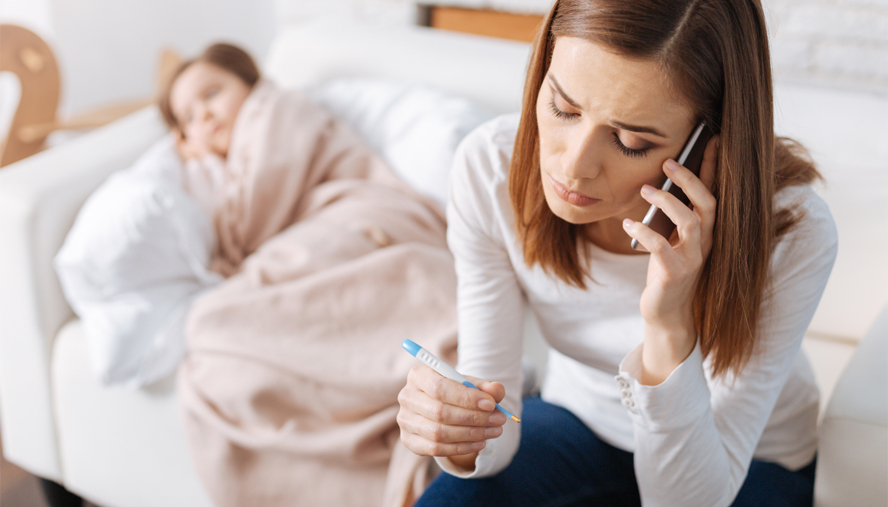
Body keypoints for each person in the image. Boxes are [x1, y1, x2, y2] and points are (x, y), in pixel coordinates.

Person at [396, 0, 837, 506]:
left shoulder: (795, 232)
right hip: (582, 421)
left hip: (744, 462)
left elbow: (686, 500)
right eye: (563, 108)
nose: (574, 167)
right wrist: (456, 434)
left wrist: (670, 323)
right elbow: (492, 413)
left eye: (629, 141)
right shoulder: (489, 169)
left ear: (707, 142)